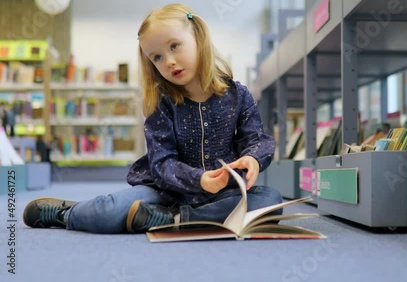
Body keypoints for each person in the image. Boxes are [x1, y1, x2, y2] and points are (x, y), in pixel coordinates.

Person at [23, 3, 283, 234]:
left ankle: (174, 219)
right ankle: (67, 213)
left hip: (222, 194)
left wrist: (253, 158)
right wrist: (198, 179)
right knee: (107, 211)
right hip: (163, 193)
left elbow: (256, 140)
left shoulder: (239, 95)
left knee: (271, 201)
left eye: (174, 46)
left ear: (198, 38)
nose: (169, 61)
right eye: (157, 57)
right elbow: (162, 163)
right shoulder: (162, 103)